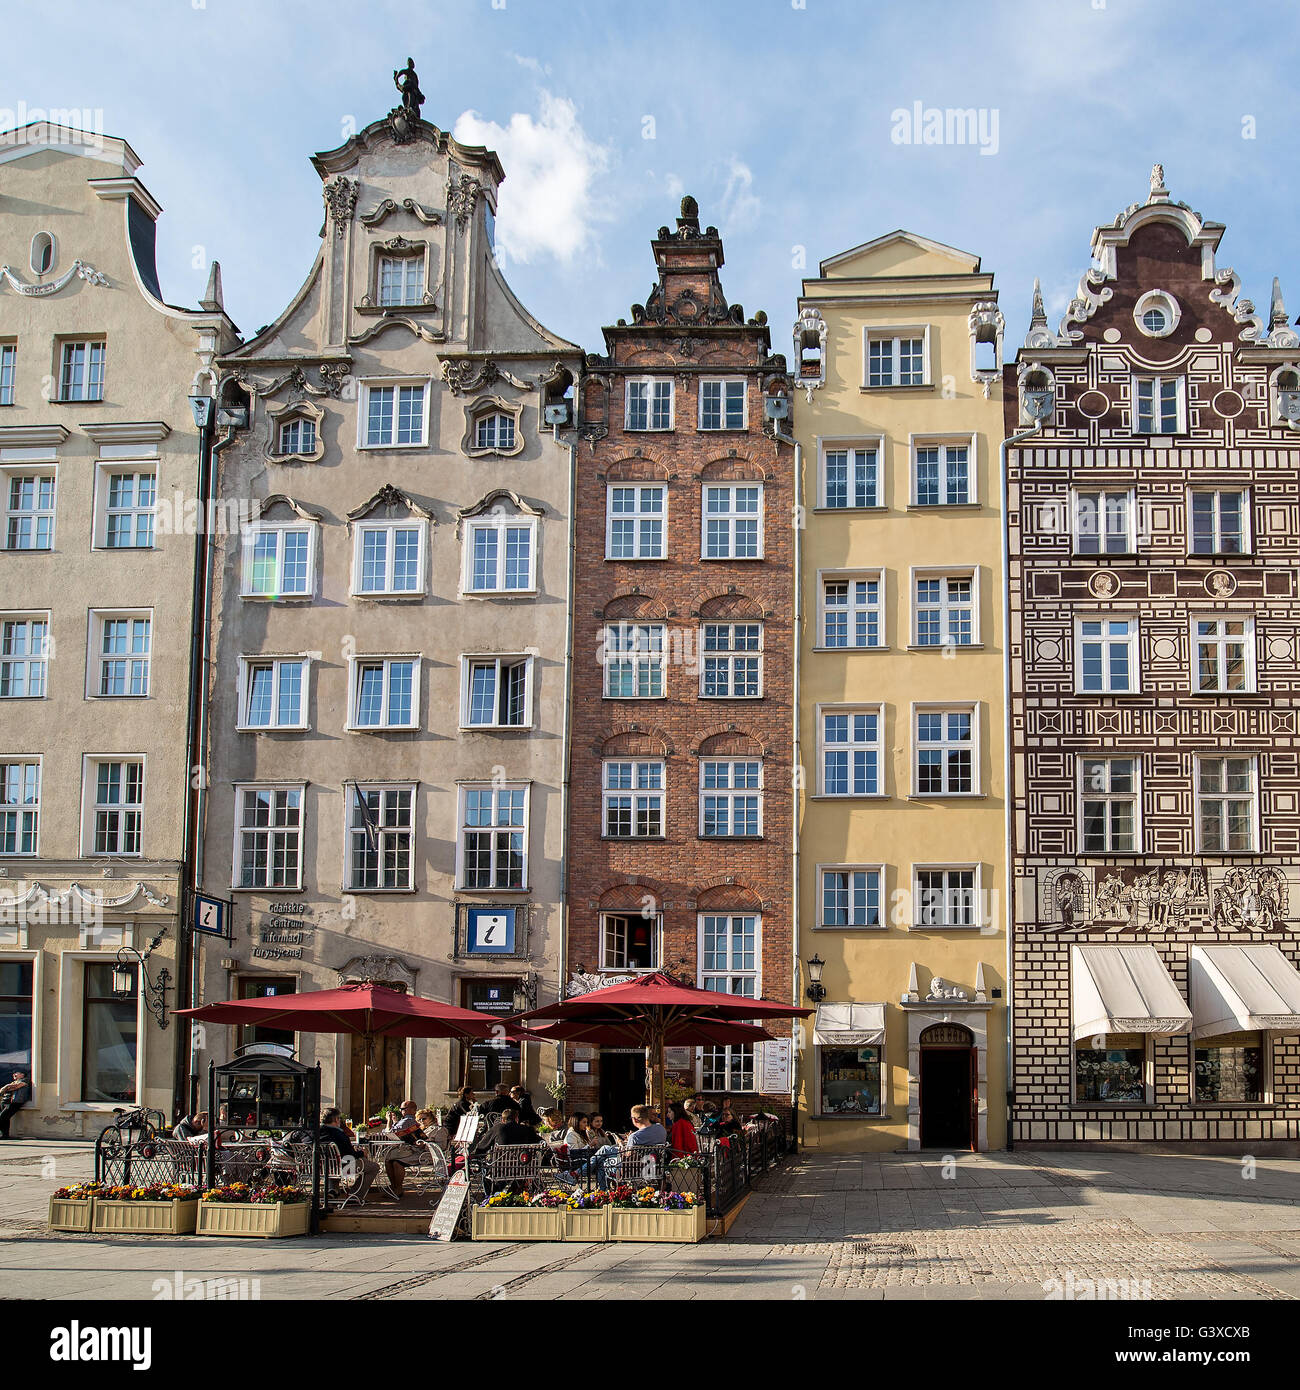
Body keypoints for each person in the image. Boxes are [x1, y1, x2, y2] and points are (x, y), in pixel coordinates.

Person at [590, 1105, 667, 1186]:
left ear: (635, 1119)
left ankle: (601, 1190)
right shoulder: (661, 1128)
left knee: (602, 1162)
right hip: (654, 1167)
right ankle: (582, 1172)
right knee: (605, 1150)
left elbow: (627, 1156)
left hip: (635, 1170)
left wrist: (620, 1143)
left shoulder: (635, 1136)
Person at [320, 1107, 381, 1202]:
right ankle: (355, 1195)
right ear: (336, 1119)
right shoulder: (339, 1134)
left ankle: (333, 1190)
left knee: (333, 1162)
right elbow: (350, 1156)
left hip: (320, 1167)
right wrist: (362, 1152)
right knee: (374, 1167)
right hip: (344, 1167)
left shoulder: (314, 1133)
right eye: (339, 1118)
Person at [383, 1099, 430, 1199]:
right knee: (389, 1160)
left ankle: (397, 1188)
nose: (401, 1110)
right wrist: (395, 1121)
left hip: (416, 1152)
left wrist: (389, 1121)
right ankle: (395, 1187)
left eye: (403, 1109)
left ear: (412, 1110)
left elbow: (389, 1132)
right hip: (415, 1150)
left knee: (394, 1161)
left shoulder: (407, 1120)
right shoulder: (407, 1120)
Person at [0, 1070, 29, 1140]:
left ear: (22, 1075)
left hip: (14, 1102)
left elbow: (16, 1087)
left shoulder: (25, 1081)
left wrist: (7, 1086)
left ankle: (4, 1135)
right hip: (5, 1101)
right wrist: (8, 1086)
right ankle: (5, 1135)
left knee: (2, 1116)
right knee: (5, 1119)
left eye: (17, 1073)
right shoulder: (13, 1082)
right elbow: (1, 1091)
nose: (14, 1074)